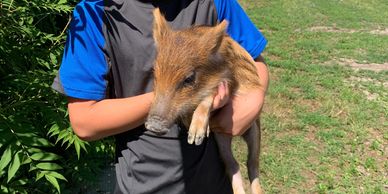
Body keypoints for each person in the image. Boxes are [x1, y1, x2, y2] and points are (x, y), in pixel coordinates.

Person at [52, 0, 268, 193]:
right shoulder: (95, 12)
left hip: (214, 178)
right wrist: (169, 96)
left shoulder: (214, 2)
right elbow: (84, 122)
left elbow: (253, 60)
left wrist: (253, 100)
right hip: (144, 181)